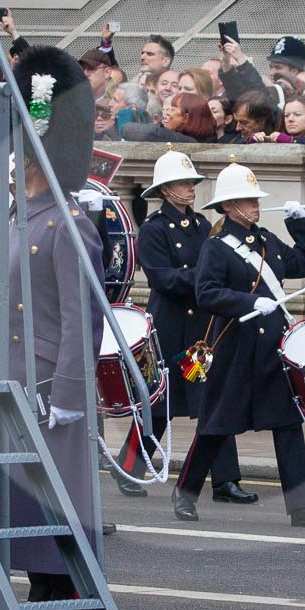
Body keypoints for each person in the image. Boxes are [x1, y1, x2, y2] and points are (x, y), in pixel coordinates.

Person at [0, 47, 107, 610]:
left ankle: (68, 588)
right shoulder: (19, 218)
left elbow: (83, 321)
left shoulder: (68, 225)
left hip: (48, 378)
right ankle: (41, 584)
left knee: (56, 488)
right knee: (22, 492)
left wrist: (67, 392)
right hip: (12, 373)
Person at [173, 163, 305, 530]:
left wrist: (300, 223)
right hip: (235, 349)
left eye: (255, 198)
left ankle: (302, 507)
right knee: (216, 427)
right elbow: (207, 293)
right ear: (228, 206)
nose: (255, 205)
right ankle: (184, 492)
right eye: (246, 200)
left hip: (270, 349)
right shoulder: (216, 247)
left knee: (287, 424)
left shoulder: (268, 241)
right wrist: (248, 303)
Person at [113, 150, 248, 501]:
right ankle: (130, 467)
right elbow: (163, 279)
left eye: (191, 182)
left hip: (201, 328)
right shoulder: (154, 230)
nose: (191, 188)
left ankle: (224, 480)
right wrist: (204, 278)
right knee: (159, 404)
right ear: (165, 189)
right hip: (172, 326)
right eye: (184, 183)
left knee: (213, 403)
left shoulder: (203, 225)